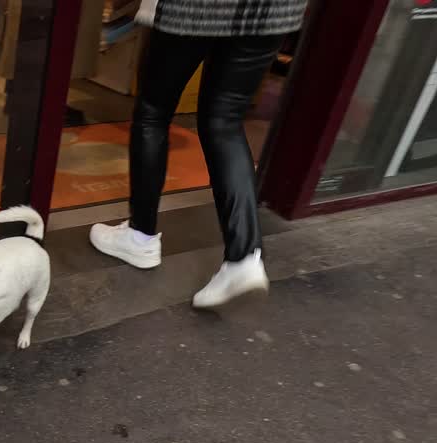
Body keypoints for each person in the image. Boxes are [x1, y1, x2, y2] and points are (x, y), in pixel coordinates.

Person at [89, 0, 309, 308]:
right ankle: (244, 256)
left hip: (196, 7)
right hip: (272, 10)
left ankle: (141, 236)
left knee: (153, 112)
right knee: (225, 122)